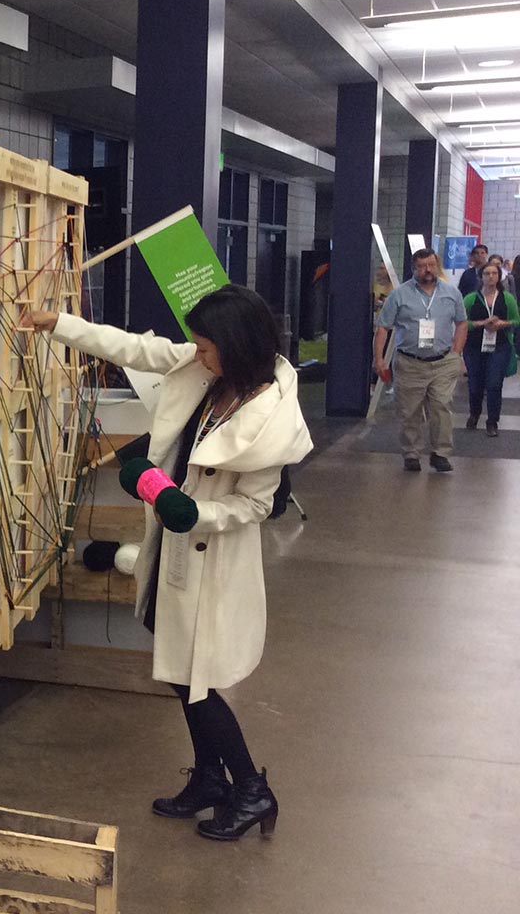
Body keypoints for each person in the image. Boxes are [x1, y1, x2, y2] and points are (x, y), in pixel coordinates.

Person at [34, 284, 312, 841]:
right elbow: (133, 348)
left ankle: (253, 790)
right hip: (173, 552)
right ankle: (211, 777)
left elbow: (257, 505)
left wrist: (195, 513)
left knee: (199, 682)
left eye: (207, 347)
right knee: (181, 677)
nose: (197, 354)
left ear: (236, 344)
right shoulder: (209, 371)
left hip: (212, 560)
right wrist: (55, 322)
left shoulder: (271, 417)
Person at [375, 248, 468, 472]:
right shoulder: (400, 295)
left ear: (437, 266)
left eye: (431, 265)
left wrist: (456, 353)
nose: (427, 270)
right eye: (422, 266)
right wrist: (379, 359)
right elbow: (383, 328)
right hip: (410, 362)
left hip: (443, 361)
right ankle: (411, 453)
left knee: (441, 406)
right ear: (414, 268)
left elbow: (462, 323)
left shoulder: (451, 293)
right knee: (410, 411)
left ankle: (440, 453)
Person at [461, 260, 518, 436]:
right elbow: (462, 323)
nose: (491, 276)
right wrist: (480, 323)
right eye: (487, 273)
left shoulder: (507, 298)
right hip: (474, 347)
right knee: (475, 384)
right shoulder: (470, 299)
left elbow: (516, 320)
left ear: (499, 277)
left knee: (494, 383)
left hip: (499, 346)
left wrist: (503, 323)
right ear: (481, 277)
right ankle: (474, 413)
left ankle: (492, 421)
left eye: (494, 273)